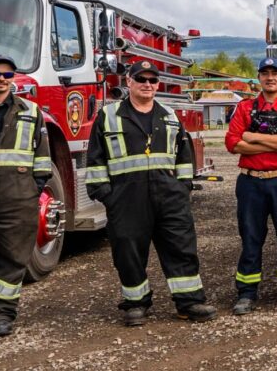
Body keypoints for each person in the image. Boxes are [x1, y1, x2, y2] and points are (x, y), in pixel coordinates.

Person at [85, 61, 216, 326]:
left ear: (157, 85)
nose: (147, 84)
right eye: (141, 79)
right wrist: (105, 194)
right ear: (129, 82)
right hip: (126, 197)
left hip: (169, 196)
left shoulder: (169, 115)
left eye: (152, 80)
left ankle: (189, 301)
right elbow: (96, 158)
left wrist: (183, 186)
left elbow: (183, 154)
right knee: (128, 250)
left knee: (180, 247)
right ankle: (136, 303)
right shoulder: (109, 115)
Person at [224, 57, 277, 315]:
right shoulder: (244, 108)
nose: (270, 77)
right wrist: (275, 140)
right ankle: (247, 293)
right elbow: (231, 143)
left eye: (275, 73)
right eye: (265, 73)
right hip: (251, 182)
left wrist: (252, 137)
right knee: (250, 238)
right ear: (258, 78)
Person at [0, 54, 51, 337]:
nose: (2, 80)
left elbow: (42, 159)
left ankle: (3, 314)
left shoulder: (30, 111)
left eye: (7, 75)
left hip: (16, 196)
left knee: (13, 256)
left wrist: (34, 191)